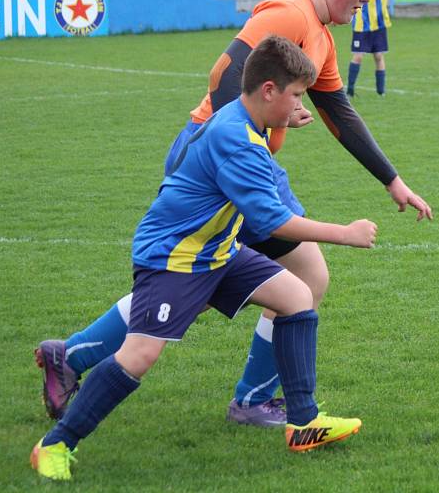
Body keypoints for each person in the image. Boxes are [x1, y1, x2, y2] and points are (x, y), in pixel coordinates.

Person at [35, 0, 432, 429]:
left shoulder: (323, 40)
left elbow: (339, 113)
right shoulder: (288, 14)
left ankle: (71, 356)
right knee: (268, 277)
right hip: (213, 156)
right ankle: (249, 401)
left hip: (247, 160)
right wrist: (246, 143)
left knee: (206, 279)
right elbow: (226, 73)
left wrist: (392, 181)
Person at [30, 36, 378, 481]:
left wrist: (283, 119)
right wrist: (344, 234)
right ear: (268, 90)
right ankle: (55, 445)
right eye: (294, 95)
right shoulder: (237, 139)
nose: (297, 106)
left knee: (296, 295)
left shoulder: (248, 122)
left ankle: (304, 423)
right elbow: (273, 221)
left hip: (215, 252)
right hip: (173, 258)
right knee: (139, 354)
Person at [346, 0, 403, 97]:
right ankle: (350, 90)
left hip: (380, 24)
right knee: (358, 56)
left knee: (378, 56)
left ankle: (380, 91)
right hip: (361, 25)